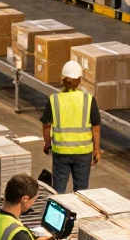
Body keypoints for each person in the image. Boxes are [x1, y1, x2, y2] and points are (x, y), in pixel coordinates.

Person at [42, 60, 102, 192]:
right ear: (79, 80)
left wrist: (47, 144)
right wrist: (96, 150)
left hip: (61, 152)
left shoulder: (54, 99)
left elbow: (46, 126)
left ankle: (58, 212)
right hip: (83, 153)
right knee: (81, 192)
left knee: (58, 191)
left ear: (62, 79)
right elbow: (96, 127)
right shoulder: (89, 100)